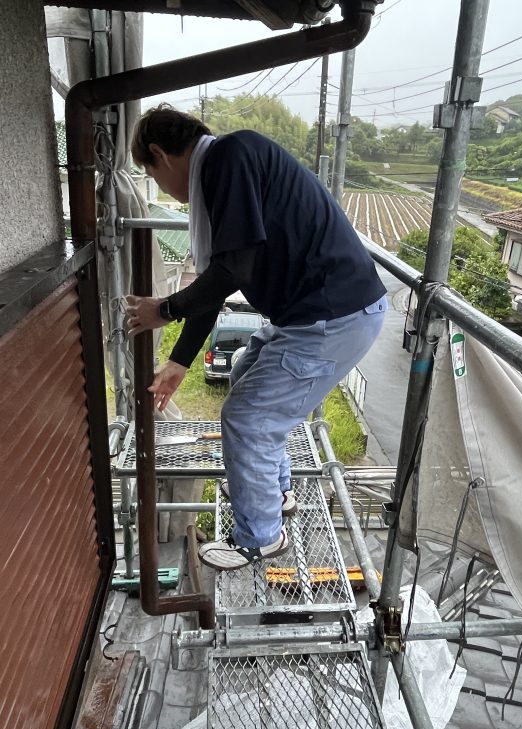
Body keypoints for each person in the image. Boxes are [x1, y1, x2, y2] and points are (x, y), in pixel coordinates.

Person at [125, 104, 387, 571]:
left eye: (151, 175)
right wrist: (181, 363)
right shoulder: (226, 165)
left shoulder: (230, 159)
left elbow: (232, 269)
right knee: (247, 370)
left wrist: (165, 310)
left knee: (247, 419)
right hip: (316, 315)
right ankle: (276, 492)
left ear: (159, 155)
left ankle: (259, 538)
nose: (162, 188)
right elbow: (217, 278)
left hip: (333, 316)